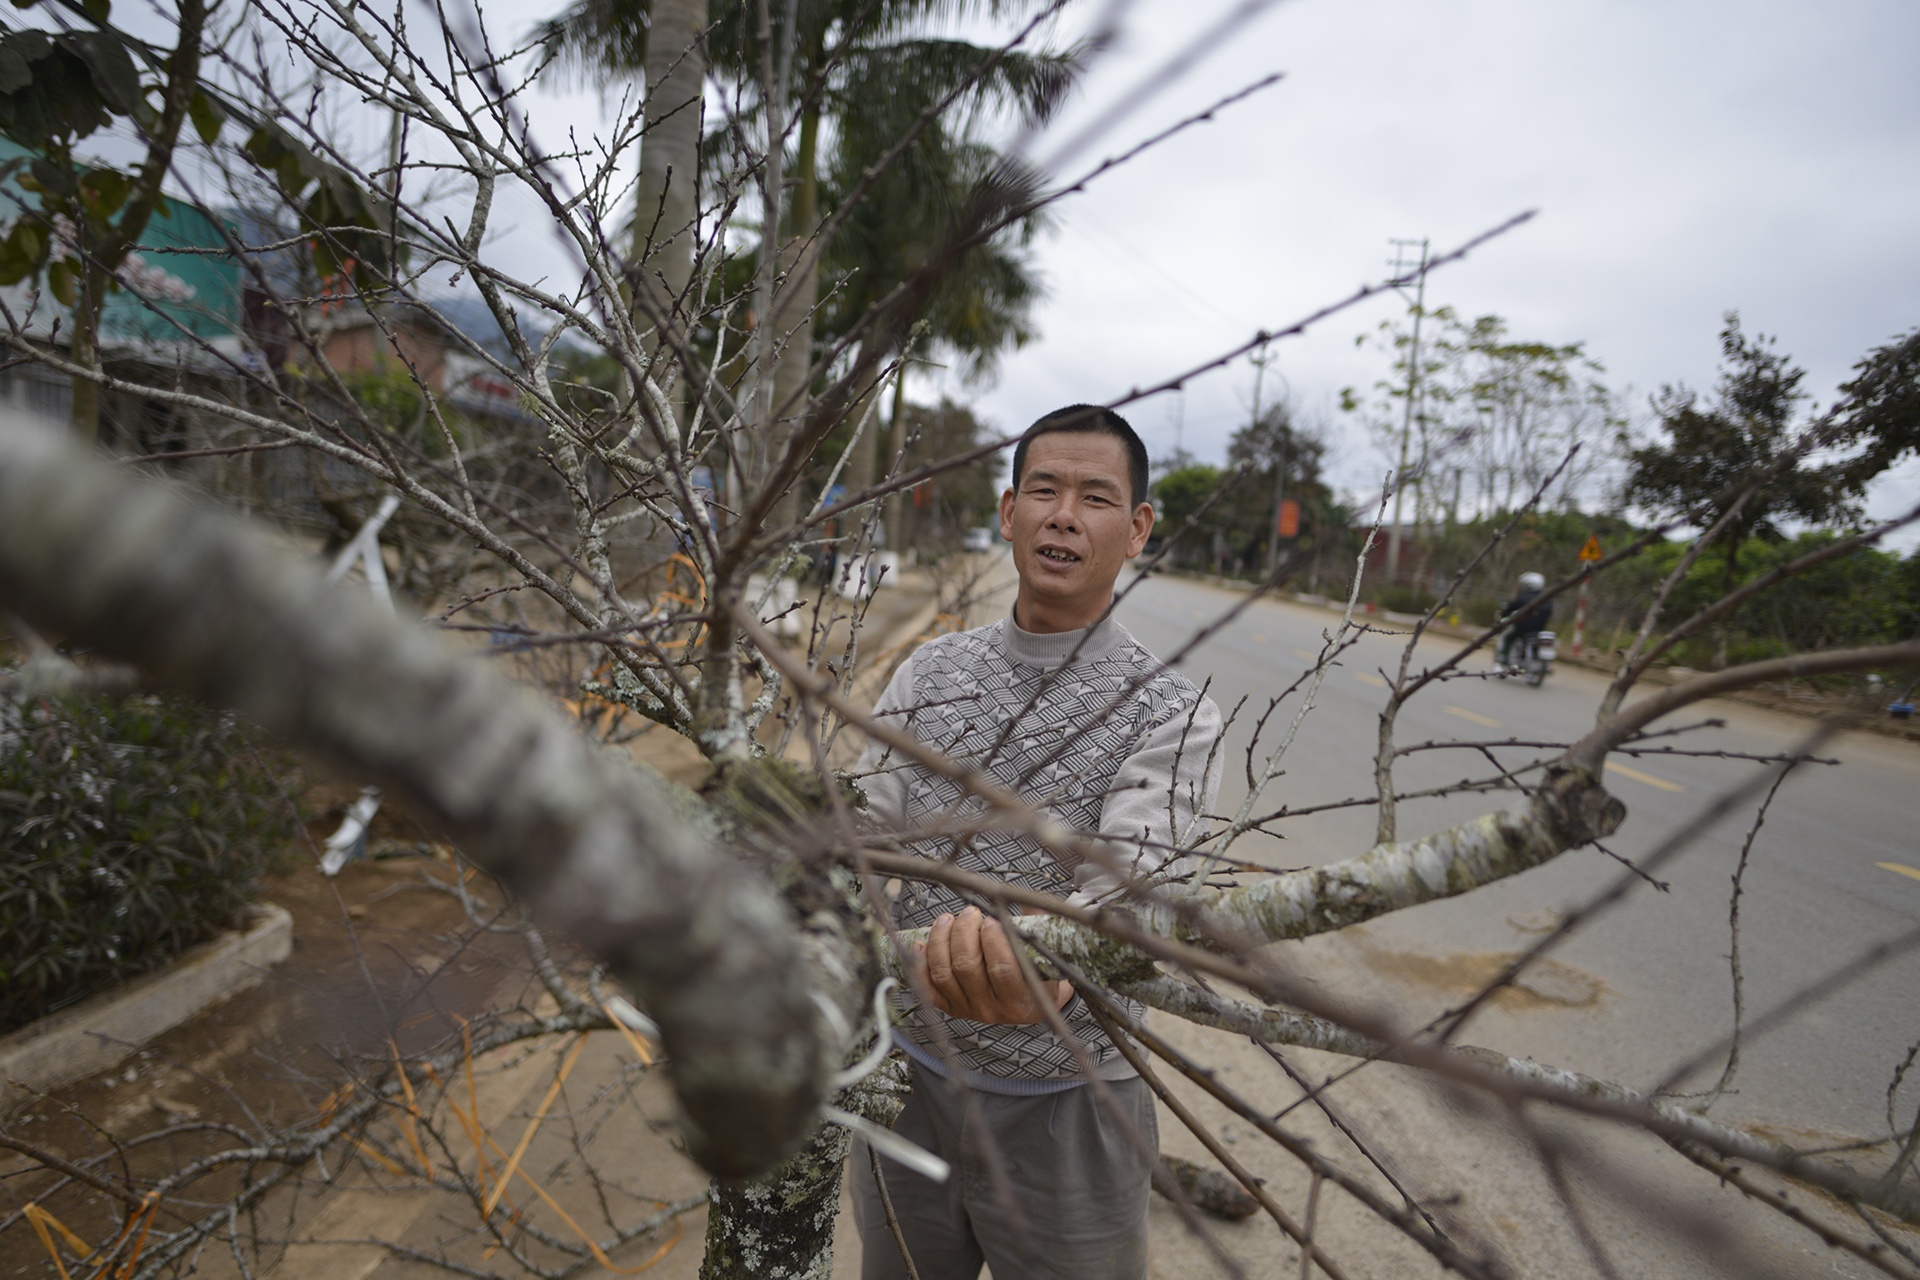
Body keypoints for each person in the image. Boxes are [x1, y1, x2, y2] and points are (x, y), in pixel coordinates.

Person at [848, 404, 1223, 1280]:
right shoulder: (931, 673)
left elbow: (1134, 892)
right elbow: (858, 831)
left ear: (1137, 530)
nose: (1064, 516)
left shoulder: (1173, 713)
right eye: (1045, 491)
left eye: (1096, 498)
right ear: (1010, 512)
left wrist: (1053, 968)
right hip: (909, 1083)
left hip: (1076, 1103)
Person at [1496, 571, 1553, 669]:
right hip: (1539, 630)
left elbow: (1509, 610)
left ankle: (1504, 657)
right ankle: (1534, 658)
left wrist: (1502, 616)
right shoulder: (1546, 599)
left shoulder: (1522, 598)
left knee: (1508, 638)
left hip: (1522, 628)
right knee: (1536, 642)